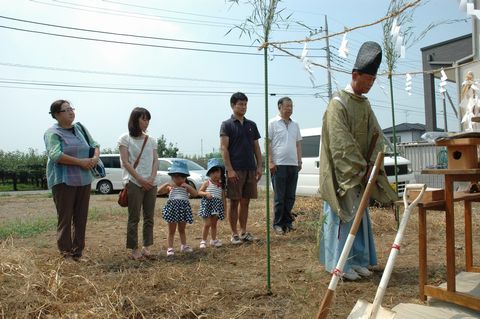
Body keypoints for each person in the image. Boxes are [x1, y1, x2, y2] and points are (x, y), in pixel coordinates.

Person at [319, 42, 397, 281]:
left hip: (362, 171)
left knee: (360, 217)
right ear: (355, 75)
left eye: (373, 81)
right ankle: (339, 264)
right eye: (368, 81)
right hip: (343, 174)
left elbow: (376, 134)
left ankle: (359, 260)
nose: (370, 86)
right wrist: (359, 167)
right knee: (343, 216)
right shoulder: (337, 104)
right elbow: (340, 143)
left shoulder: (365, 104)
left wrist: (374, 164)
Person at [44, 99, 100, 261]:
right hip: (64, 181)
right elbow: (55, 155)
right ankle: (66, 253)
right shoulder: (52, 133)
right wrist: (80, 162)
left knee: (81, 217)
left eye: (71, 109)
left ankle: (78, 252)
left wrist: (95, 158)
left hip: (84, 179)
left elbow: (94, 144)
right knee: (65, 218)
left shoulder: (80, 128)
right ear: (56, 115)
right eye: (66, 110)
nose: (71, 112)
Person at [220, 92, 263, 244]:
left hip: (250, 168)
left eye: (245, 104)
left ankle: (244, 232)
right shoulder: (227, 125)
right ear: (233, 105)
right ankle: (234, 234)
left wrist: (259, 166)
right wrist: (229, 169)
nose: (243, 107)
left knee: (246, 202)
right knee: (234, 201)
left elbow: (256, 147)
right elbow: (224, 148)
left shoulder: (252, 125)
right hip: (235, 169)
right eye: (240, 104)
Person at [118, 107, 158, 261]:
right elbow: (126, 163)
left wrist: (151, 178)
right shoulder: (124, 139)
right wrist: (141, 180)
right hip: (134, 182)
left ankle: (147, 248)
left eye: (148, 119)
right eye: (143, 119)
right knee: (134, 217)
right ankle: (134, 249)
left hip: (151, 183)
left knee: (149, 217)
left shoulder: (152, 140)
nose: (146, 122)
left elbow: (155, 160)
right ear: (135, 120)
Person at [267, 97, 302, 235]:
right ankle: (278, 224)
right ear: (279, 107)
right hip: (278, 165)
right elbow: (268, 143)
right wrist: (270, 161)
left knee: (290, 196)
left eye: (291, 106)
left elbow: (298, 144)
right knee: (279, 197)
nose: (290, 108)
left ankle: (288, 222)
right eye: (287, 106)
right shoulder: (272, 123)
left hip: (293, 164)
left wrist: (299, 161)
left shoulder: (295, 124)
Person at [157, 160, 198, 256]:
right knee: (171, 230)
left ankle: (184, 245)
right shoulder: (170, 187)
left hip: (183, 209)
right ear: (172, 177)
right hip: (173, 209)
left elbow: (195, 194)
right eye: (176, 176)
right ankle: (170, 248)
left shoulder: (186, 187)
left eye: (182, 177)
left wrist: (188, 186)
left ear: (185, 177)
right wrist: (167, 185)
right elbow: (158, 191)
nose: (179, 179)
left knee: (182, 229)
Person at [197, 158, 226, 248]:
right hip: (207, 205)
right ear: (209, 173)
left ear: (221, 173)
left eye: (217, 172)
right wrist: (206, 194)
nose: (215, 174)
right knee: (207, 224)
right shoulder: (207, 183)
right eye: (213, 172)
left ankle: (213, 240)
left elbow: (223, 198)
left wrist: (225, 210)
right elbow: (199, 192)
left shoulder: (221, 185)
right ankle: (203, 241)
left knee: (214, 224)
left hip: (216, 206)